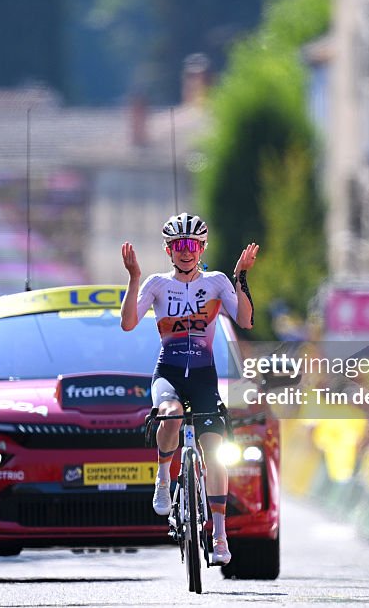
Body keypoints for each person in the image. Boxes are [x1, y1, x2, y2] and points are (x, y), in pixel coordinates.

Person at [120, 212, 258, 566]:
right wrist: (134, 278)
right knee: (170, 415)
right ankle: (164, 478)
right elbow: (128, 323)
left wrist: (240, 276)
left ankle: (220, 535)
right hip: (168, 373)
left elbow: (245, 320)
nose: (186, 251)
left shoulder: (215, 283)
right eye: (179, 245)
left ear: (201, 248)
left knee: (215, 452)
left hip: (203, 377)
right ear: (169, 250)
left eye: (192, 245)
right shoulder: (155, 284)